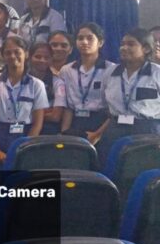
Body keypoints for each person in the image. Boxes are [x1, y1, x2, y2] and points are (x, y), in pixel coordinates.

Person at [96, 28, 160, 169]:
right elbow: (105, 103)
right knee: (112, 170)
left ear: (146, 48)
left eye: (131, 44)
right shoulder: (110, 73)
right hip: (115, 128)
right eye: (122, 44)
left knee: (142, 171)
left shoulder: (157, 73)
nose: (124, 48)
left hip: (147, 130)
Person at [0, 36, 49, 162]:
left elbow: (38, 122)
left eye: (17, 52)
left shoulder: (37, 85)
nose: (12, 56)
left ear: (26, 54)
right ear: (3, 56)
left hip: (25, 135)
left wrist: (25, 149)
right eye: (8, 53)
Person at [60, 23, 113, 144]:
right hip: (75, 121)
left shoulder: (111, 69)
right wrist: (64, 132)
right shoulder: (67, 70)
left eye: (90, 38)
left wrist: (97, 134)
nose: (84, 42)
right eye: (80, 38)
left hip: (100, 122)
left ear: (100, 42)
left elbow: (113, 109)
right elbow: (68, 106)